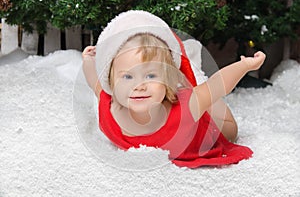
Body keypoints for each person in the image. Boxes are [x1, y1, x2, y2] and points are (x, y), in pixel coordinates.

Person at [82, 10, 266, 168]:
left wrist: (245, 66)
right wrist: (88, 61)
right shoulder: (109, 106)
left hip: (212, 126)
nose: (139, 86)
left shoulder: (186, 109)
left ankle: (191, 75)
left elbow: (218, 85)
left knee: (207, 97)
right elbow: (94, 81)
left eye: (151, 76)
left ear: (167, 80)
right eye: (128, 76)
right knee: (199, 94)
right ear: (112, 83)